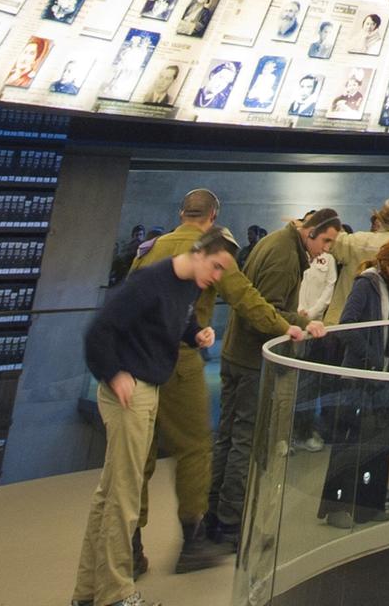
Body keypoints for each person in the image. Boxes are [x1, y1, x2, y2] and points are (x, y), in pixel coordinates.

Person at [132, 189, 320, 574]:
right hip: (177, 360)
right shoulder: (210, 249)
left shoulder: (151, 248)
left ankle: (131, 546)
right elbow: (246, 300)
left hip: (137, 359)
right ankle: (192, 543)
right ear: (214, 215)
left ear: (182, 212)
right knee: (195, 449)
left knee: (140, 457)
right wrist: (288, 325)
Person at [74, 224, 239, 606]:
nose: (216, 278)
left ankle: (87, 591)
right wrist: (114, 373)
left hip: (149, 389)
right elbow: (98, 332)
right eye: (215, 267)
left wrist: (194, 334)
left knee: (109, 494)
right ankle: (115, 593)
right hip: (129, 394)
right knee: (124, 495)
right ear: (199, 253)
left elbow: (174, 322)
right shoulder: (149, 281)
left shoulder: (186, 285)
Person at [207, 207, 341, 548]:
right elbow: (265, 310)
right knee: (245, 439)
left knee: (228, 437)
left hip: (237, 354)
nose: (326, 249)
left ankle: (214, 514)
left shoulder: (279, 244)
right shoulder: (284, 256)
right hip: (251, 359)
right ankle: (230, 522)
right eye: (326, 241)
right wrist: (297, 322)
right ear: (311, 232)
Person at [319, 236, 389, 528]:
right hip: (360, 377)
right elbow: (347, 325)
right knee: (349, 444)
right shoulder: (366, 283)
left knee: (379, 444)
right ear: (387, 263)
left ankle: (369, 505)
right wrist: (373, 358)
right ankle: (337, 507)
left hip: (385, 377)